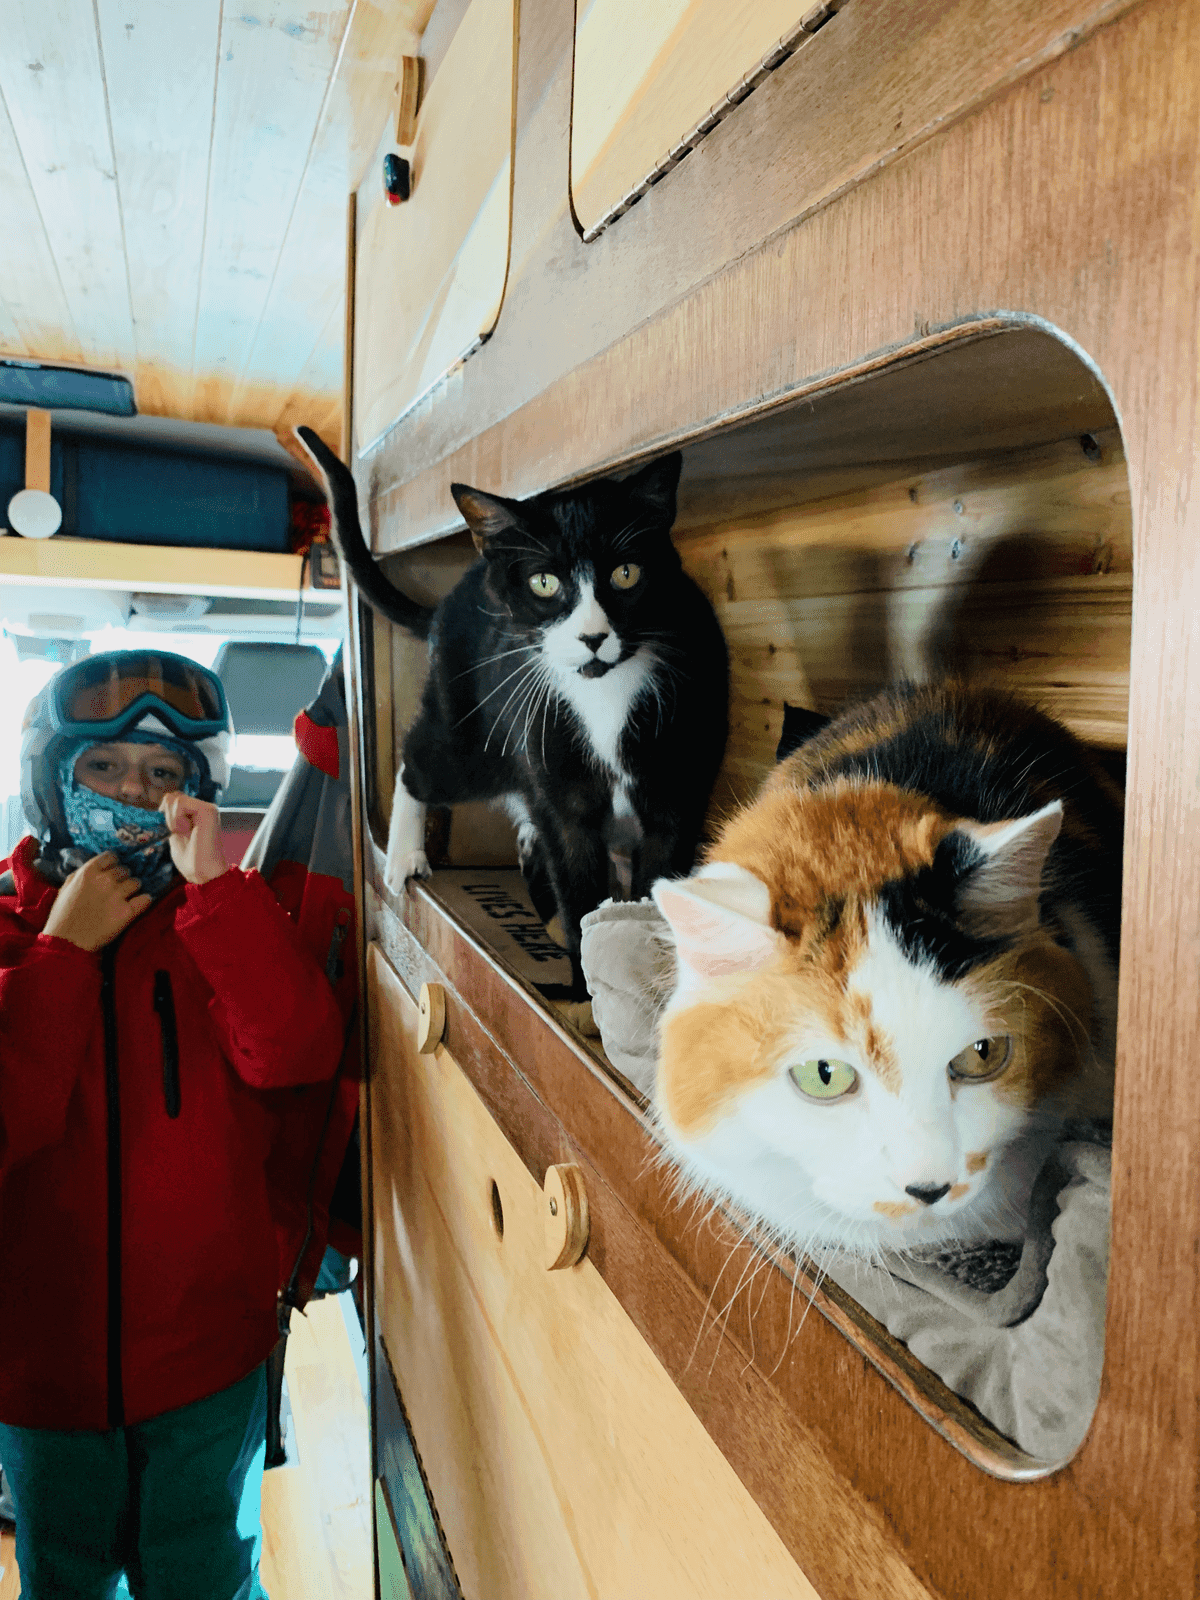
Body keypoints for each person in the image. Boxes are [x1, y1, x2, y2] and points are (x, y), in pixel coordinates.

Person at [0, 650, 345, 1599]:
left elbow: (295, 1051)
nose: (132, 792)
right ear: (51, 775)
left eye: (164, 776)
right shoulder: (7, 932)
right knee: (64, 1577)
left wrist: (215, 893)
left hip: (208, 1358)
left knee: (207, 1574)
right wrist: (63, 954)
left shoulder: (221, 918)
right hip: (42, 1368)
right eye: (103, 768)